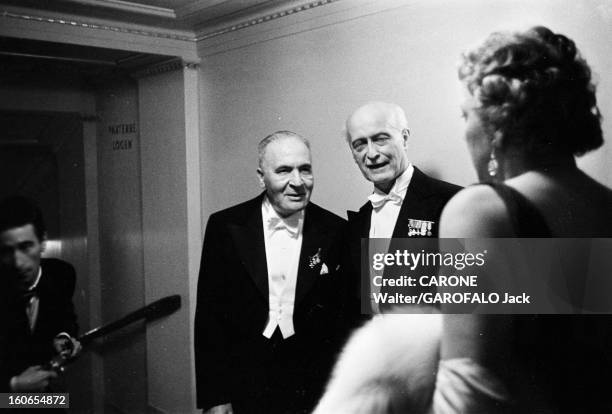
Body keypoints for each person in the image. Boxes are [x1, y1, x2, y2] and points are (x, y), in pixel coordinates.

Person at [436, 25, 612, 413]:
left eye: (466, 115)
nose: (465, 130)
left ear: (496, 122)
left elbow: (468, 399)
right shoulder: (604, 204)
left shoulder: (482, 212)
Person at [194, 131, 347, 414]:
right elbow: (209, 318)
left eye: (305, 169)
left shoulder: (337, 230)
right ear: (261, 177)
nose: (298, 182)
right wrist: (215, 396)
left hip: (312, 389)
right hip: (246, 385)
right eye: (284, 171)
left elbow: (343, 324)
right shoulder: (225, 227)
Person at [343, 102, 461, 314]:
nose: (371, 154)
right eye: (359, 144)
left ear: (404, 138)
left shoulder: (454, 202)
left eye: (380, 139)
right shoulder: (358, 222)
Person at [0, 196, 79, 393]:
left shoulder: (62, 275)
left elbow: (67, 318)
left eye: (26, 247)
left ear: (43, 242)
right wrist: (14, 385)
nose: (17, 262)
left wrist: (64, 337)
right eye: (7, 251)